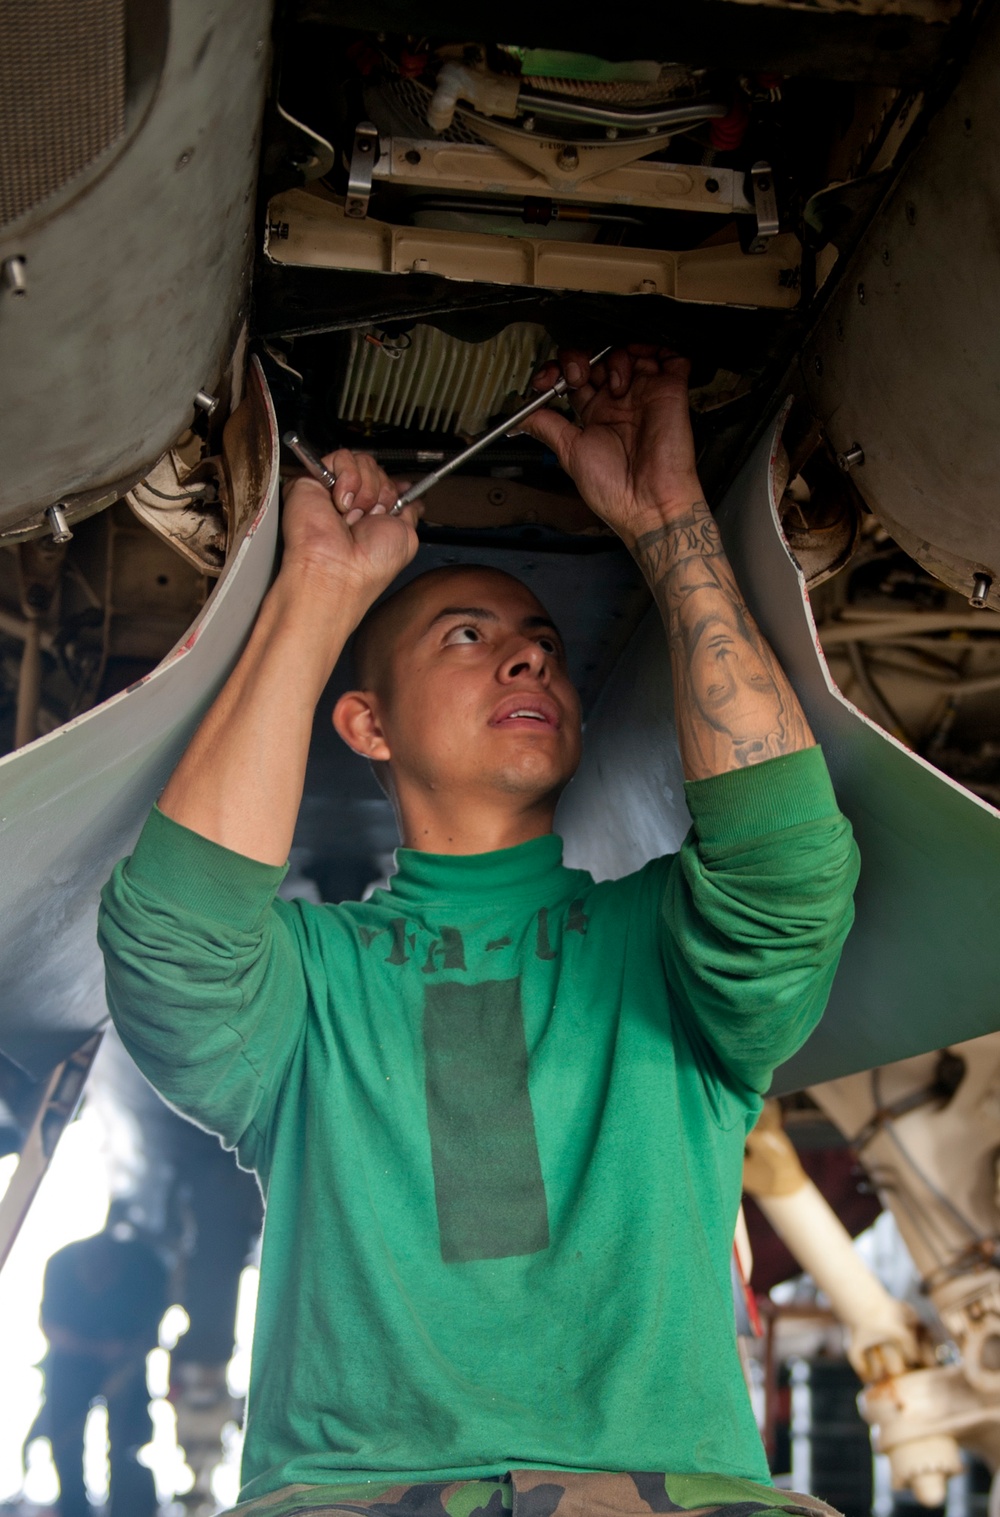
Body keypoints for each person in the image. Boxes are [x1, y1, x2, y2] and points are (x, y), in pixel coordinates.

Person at [97, 347, 859, 1517]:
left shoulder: (662, 946)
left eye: (542, 643)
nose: (528, 653)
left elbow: (786, 869)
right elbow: (171, 947)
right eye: (464, 635)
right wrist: (322, 587)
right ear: (366, 723)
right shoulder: (311, 985)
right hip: (357, 1495)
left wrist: (666, 519)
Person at [31, 1215, 166, 1517]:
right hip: (71, 1363)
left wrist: (126, 1353)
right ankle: (74, 1511)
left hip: (126, 1361)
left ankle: (128, 1510)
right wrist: (95, 1349)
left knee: (128, 1443)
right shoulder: (60, 1266)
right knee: (64, 1445)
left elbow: (157, 1318)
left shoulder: (146, 1268)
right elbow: (50, 1325)